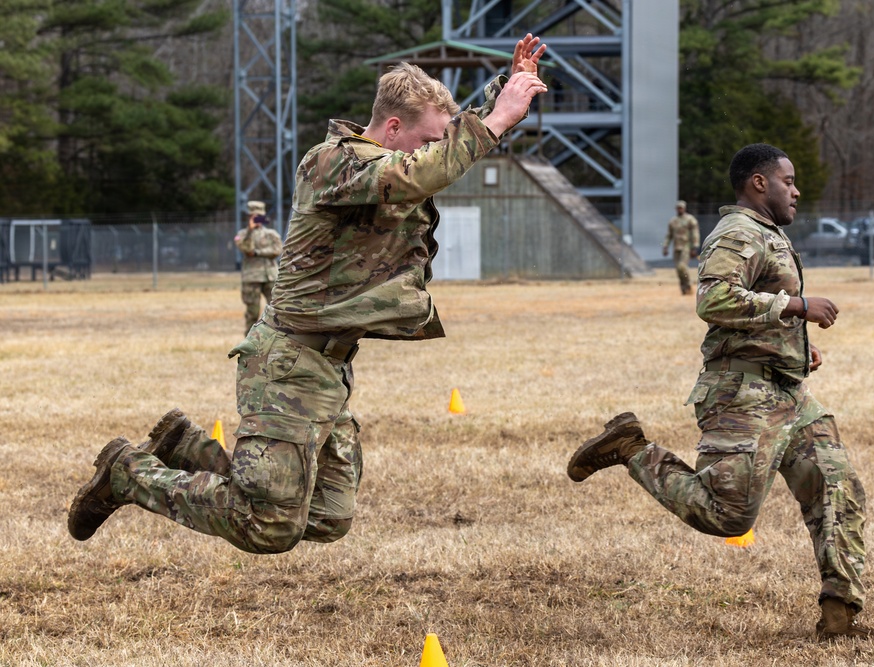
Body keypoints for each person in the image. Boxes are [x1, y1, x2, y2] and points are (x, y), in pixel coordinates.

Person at [68, 34, 549, 554]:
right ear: (392, 128)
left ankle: (185, 448)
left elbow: (445, 146)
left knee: (324, 519)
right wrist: (496, 120)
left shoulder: (391, 159)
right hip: (289, 363)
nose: (434, 150)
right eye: (425, 140)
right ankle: (128, 473)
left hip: (329, 367)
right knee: (268, 525)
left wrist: (507, 87)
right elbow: (424, 170)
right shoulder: (335, 165)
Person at [567, 144, 874, 641]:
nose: (797, 190)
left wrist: (796, 347)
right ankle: (631, 449)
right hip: (743, 395)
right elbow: (714, 299)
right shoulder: (737, 231)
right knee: (727, 516)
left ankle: (841, 619)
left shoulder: (767, 234)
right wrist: (796, 307)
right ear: (758, 183)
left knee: (838, 490)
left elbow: (752, 310)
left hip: (788, 391)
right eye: (788, 181)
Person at [234, 201, 283, 334]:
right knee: (252, 313)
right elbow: (247, 249)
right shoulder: (242, 235)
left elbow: (277, 250)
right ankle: (250, 346)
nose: (257, 220)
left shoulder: (271, 234)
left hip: (270, 276)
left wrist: (257, 253)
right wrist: (250, 230)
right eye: (254, 217)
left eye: (259, 216)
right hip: (252, 277)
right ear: (249, 217)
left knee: (277, 311)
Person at [662, 200, 700, 295]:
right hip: (676, 248)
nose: (680, 209)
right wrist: (665, 246)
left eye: (681, 207)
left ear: (684, 208)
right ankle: (683, 289)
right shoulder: (673, 221)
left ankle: (688, 285)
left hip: (686, 247)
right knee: (678, 270)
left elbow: (695, 233)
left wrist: (694, 247)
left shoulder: (690, 219)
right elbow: (669, 235)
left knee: (682, 267)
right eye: (678, 208)